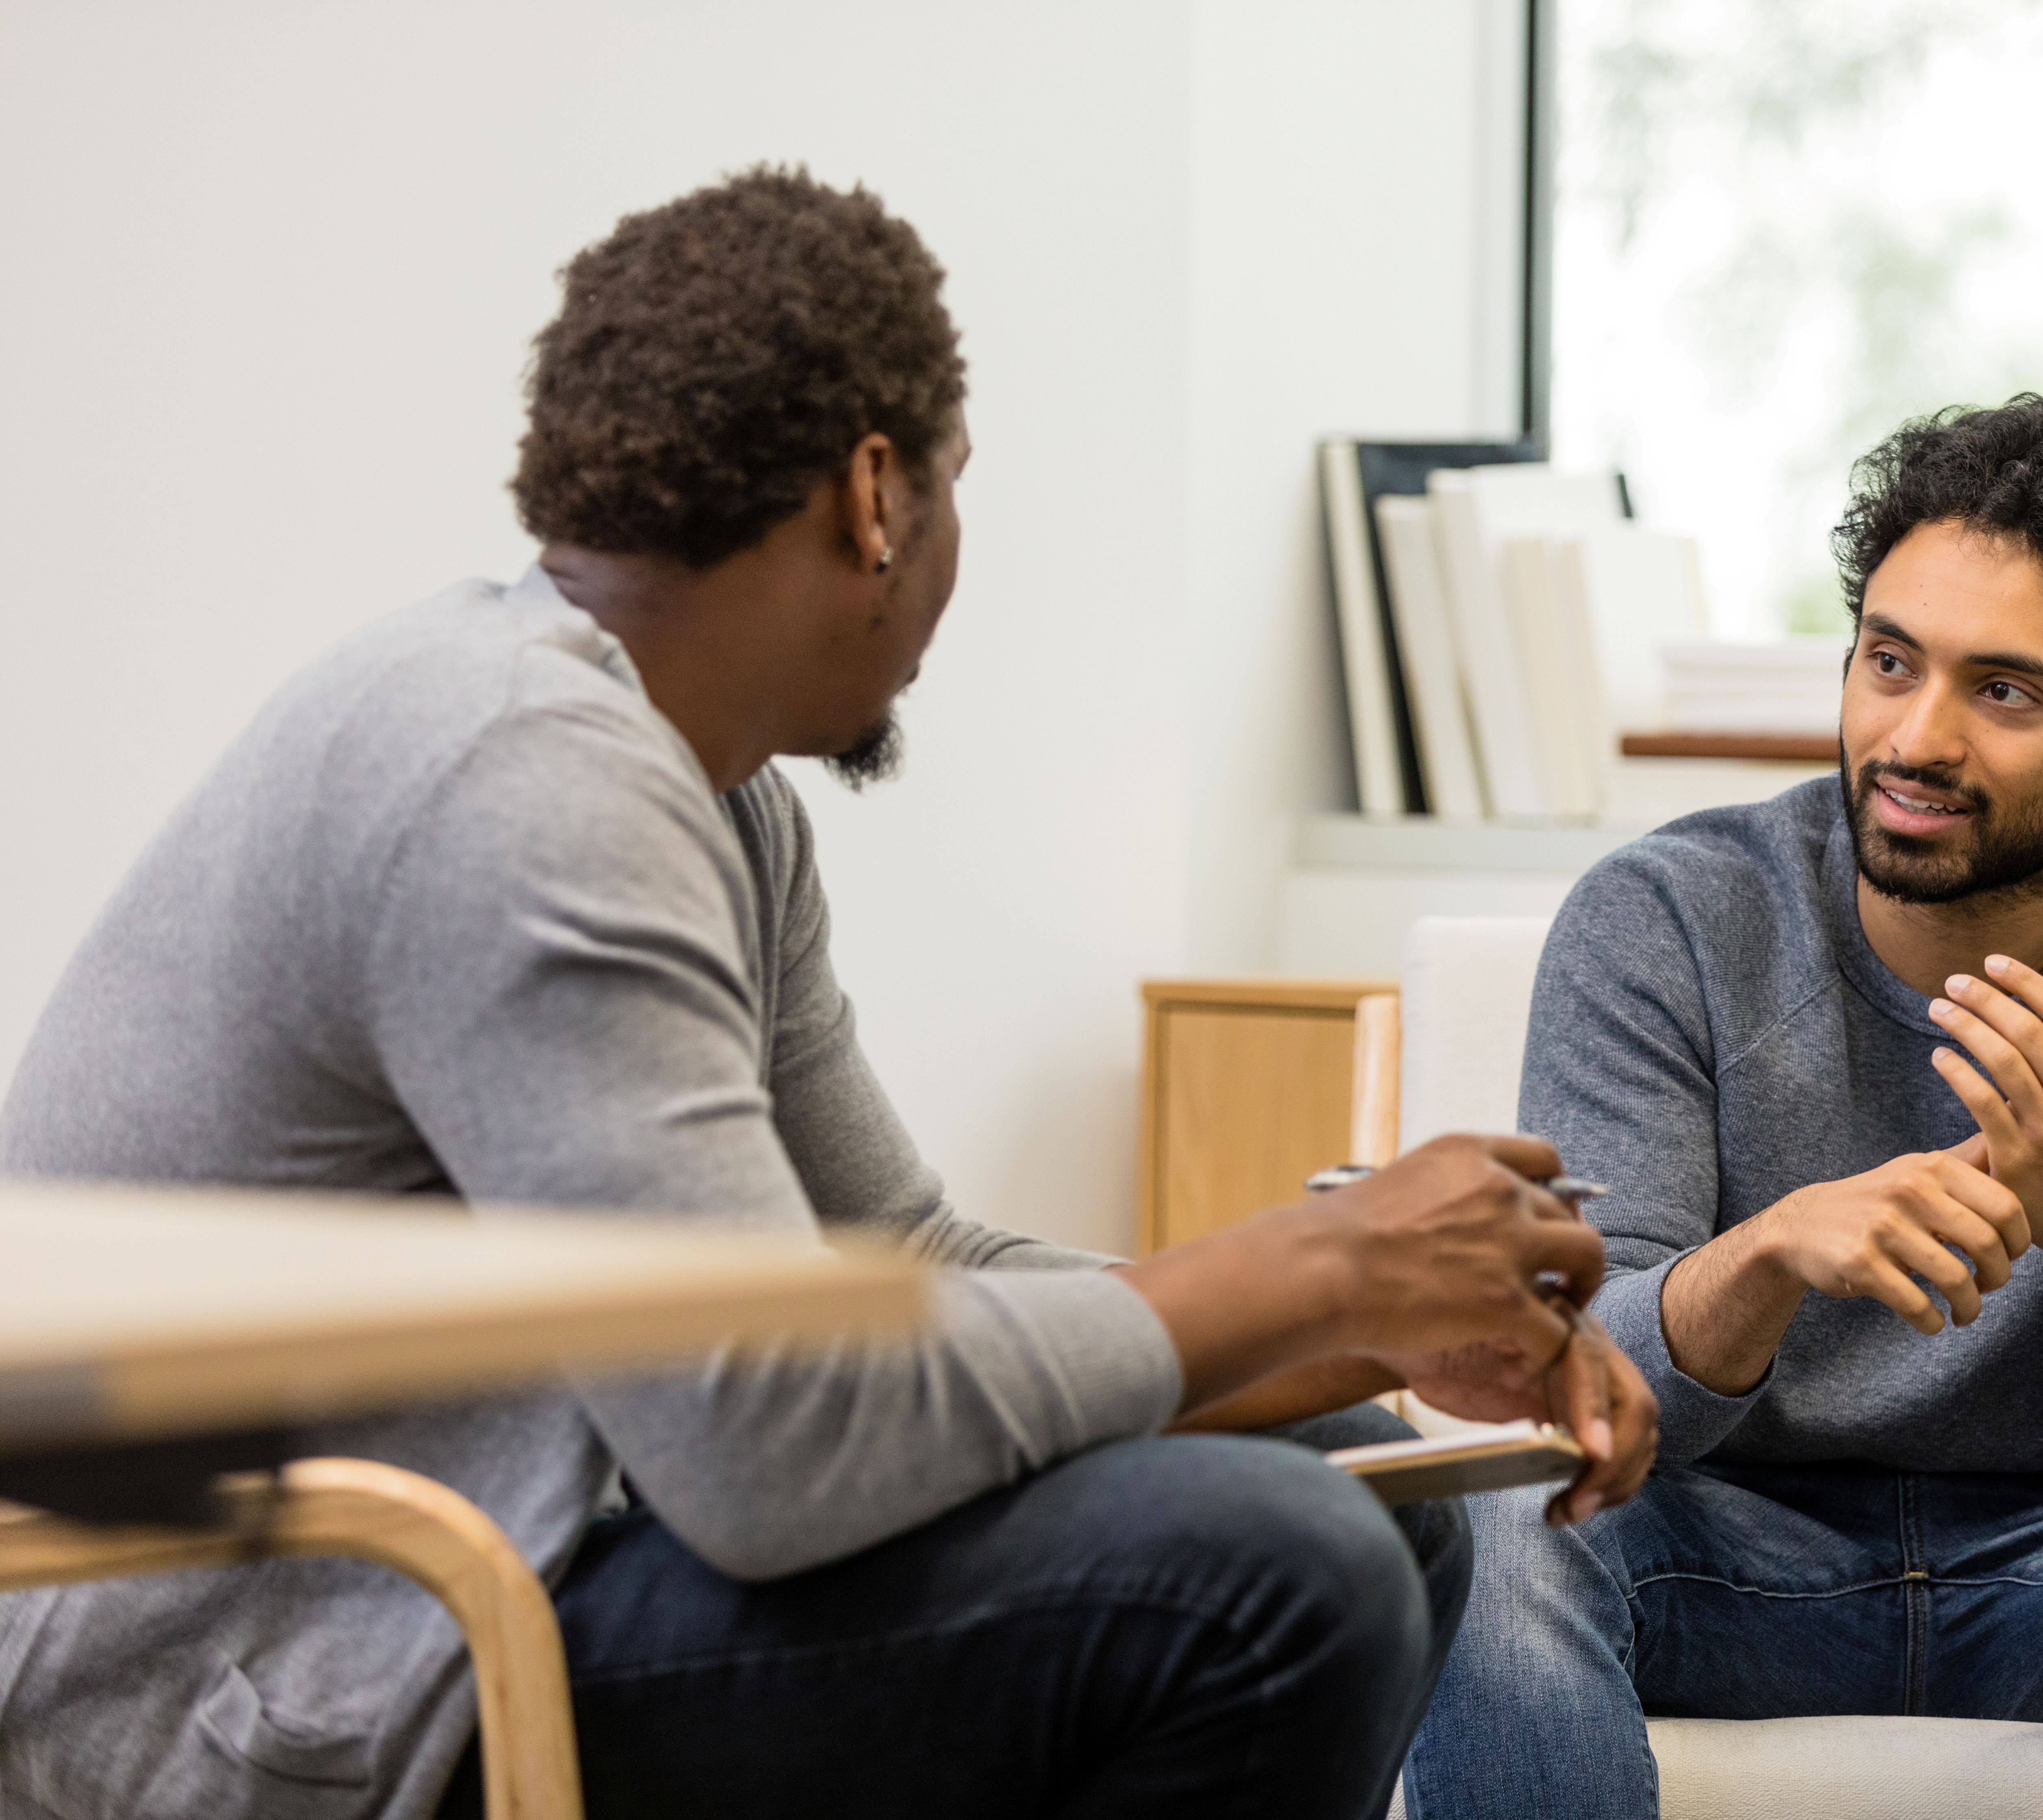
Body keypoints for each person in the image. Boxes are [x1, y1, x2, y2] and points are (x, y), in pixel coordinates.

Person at [0, 167, 1656, 1820]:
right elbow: (769, 1457)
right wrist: (1307, 1264)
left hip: (481, 1572)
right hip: (267, 1671)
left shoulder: (708, 797)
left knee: (1369, 1485)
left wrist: (1354, 1320)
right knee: (1273, 1572)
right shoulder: (523, 774)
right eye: (955, 487)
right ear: (879, 495)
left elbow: (900, 1267)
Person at [1407, 396, 2043, 1820]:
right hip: (1725, 1568)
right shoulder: (1668, 920)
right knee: (1497, 1509)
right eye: (1890, 663)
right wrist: (1762, 1256)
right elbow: (1575, 1384)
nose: (1917, 737)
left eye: (2003, 692)